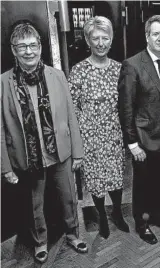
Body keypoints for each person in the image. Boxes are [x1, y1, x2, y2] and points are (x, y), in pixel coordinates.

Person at [1, 21, 87, 264]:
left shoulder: (57, 75)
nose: (29, 51)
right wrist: (5, 168)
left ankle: (73, 234)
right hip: (28, 156)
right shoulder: (3, 83)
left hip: (60, 152)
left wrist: (77, 152)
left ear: (40, 47)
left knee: (68, 197)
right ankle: (40, 241)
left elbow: (71, 115)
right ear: (13, 50)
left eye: (33, 45)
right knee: (34, 205)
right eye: (22, 46)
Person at [118, 15, 160, 245]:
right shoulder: (133, 65)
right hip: (144, 140)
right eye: (156, 34)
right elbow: (126, 108)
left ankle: (156, 215)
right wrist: (132, 144)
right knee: (143, 185)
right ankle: (142, 223)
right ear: (147, 36)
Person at [68, 16, 128, 239]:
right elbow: (71, 108)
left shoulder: (121, 69)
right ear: (88, 40)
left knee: (116, 177)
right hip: (90, 137)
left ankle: (118, 213)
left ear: (111, 40)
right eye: (96, 38)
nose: (101, 43)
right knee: (95, 181)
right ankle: (102, 215)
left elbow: (127, 103)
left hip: (114, 135)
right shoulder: (78, 71)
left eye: (105, 38)